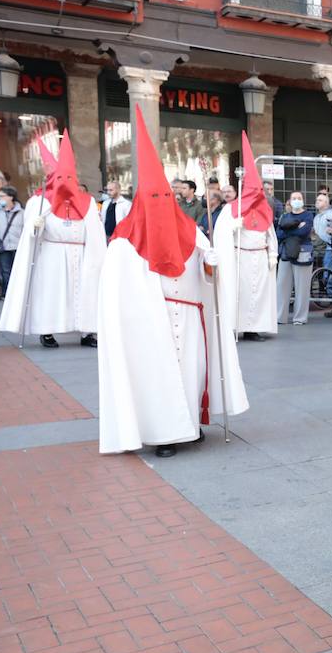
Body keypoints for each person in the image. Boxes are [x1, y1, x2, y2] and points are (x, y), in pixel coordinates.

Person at [98, 109, 248, 458]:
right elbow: (116, 292)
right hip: (151, 322)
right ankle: (163, 433)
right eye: (154, 201)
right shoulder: (123, 242)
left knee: (193, 370)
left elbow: (209, 277)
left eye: (166, 199)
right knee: (158, 374)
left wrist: (212, 264)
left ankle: (191, 423)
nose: (161, 207)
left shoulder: (192, 231)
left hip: (191, 317)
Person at [0, 135, 107, 349]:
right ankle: (46, 331)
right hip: (52, 255)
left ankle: (88, 332)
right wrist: (34, 227)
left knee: (86, 291)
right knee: (51, 293)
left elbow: (95, 231)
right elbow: (31, 235)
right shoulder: (39, 202)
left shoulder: (87, 201)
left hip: (82, 254)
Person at [213, 134, 279, 343]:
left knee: (258, 294)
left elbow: (271, 234)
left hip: (259, 258)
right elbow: (220, 232)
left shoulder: (264, 210)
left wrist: (273, 254)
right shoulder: (233, 209)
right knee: (239, 292)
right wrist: (234, 225)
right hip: (239, 257)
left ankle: (255, 328)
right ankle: (235, 326)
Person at [276, 193, 314, 326]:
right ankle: (280, 317)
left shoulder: (308, 215)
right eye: (294, 198)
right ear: (289, 201)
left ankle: (300, 318)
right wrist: (295, 227)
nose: (296, 201)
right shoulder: (284, 216)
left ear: (303, 200)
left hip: (302, 253)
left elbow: (304, 232)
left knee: (302, 287)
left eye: (299, 198)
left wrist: (287, 229)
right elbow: (278, 234)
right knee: (281, 286)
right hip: (286, 253)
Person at [0, 186, 24, 296]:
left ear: (11, 197)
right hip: (2, 245)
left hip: (18, 245)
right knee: (5, 271)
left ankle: (19, 293)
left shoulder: (21, 212)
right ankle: (7, 294)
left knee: (18, 270)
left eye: (2, 196)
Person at [311, 191, 332, 286]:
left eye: (320, 200)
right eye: (317, 200)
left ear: (326, 203)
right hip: (317, 248)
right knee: (319, 273)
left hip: (327, 248)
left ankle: (330, 295)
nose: (317, 202)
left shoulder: (331, 215)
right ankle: (322, 293)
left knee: (327, 271)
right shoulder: (316, 217)